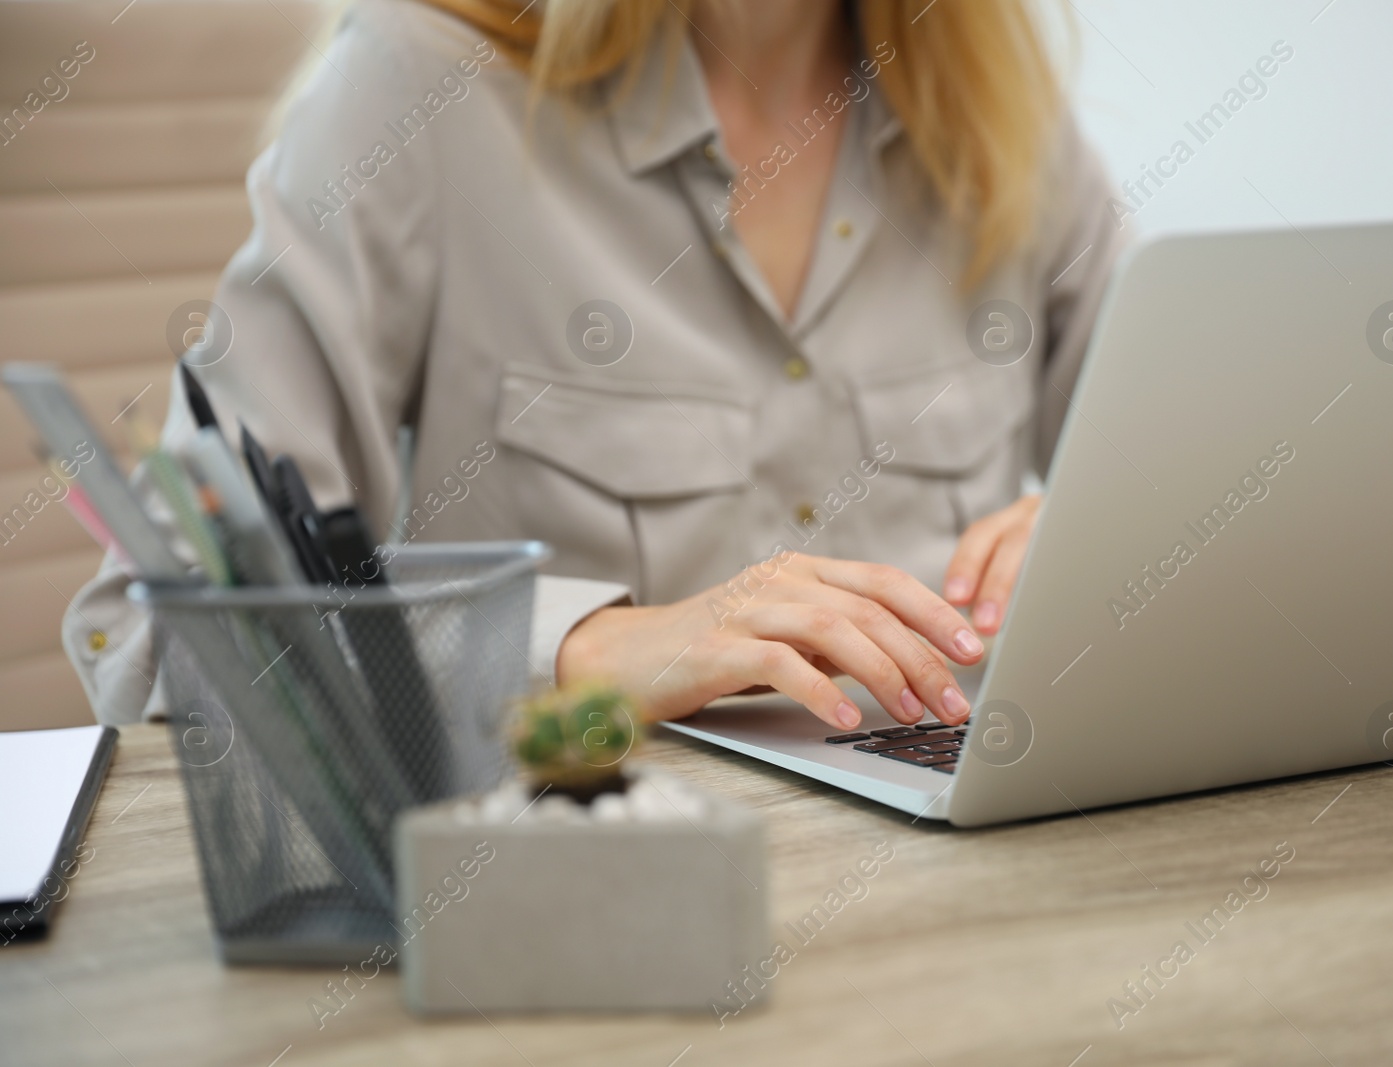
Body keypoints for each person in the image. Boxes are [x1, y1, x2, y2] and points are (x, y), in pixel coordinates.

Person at [65, 0, 1126, 732]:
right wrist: (572, 648)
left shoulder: (998, 114)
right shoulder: (420, 86)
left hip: (975, 868)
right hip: (581, 896)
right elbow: (157, 627)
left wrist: (1115, 530)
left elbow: (1232, 488)